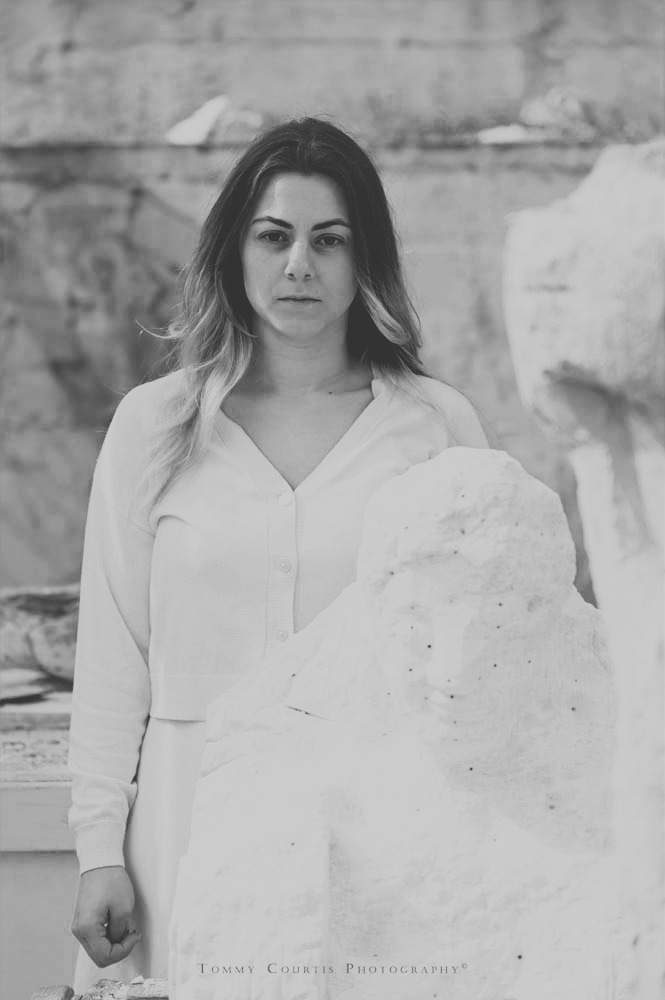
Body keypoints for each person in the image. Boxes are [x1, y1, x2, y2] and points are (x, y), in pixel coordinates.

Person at [67, 115, 490, 992]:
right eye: (274, 236)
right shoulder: (154, 426)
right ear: (234, 251)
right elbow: (113, 652)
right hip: (183, 823)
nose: (299, 263)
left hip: (376, 830)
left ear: (364, 259)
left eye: (329, 240)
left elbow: (480, 658)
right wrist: (98, 847)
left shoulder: (434, 425)